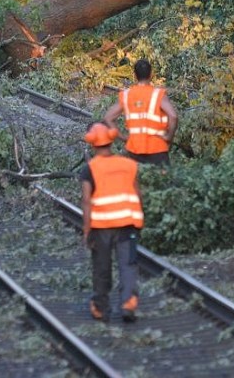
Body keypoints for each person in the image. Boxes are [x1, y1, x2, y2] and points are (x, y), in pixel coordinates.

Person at [80, 122, 143, 322]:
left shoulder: (89, 169)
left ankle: (101, 307)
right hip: (129, 225)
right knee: (129, 264)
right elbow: (138, 194)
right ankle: (128, 302)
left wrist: (86, 230)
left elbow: (86, 201)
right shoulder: (129, 164)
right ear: (111, 140)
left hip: (101, 228)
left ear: (92, 144)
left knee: (101, 267)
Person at [104, 58, 178, 166]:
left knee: (138, 181)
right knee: (162, 181)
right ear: (151, 74)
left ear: (134, 75)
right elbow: (173, 116)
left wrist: (124, 138)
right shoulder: (158, 94)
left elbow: (108, 118)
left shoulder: (126, 95)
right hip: (158, 148)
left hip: (134, 149)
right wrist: (169, 137)